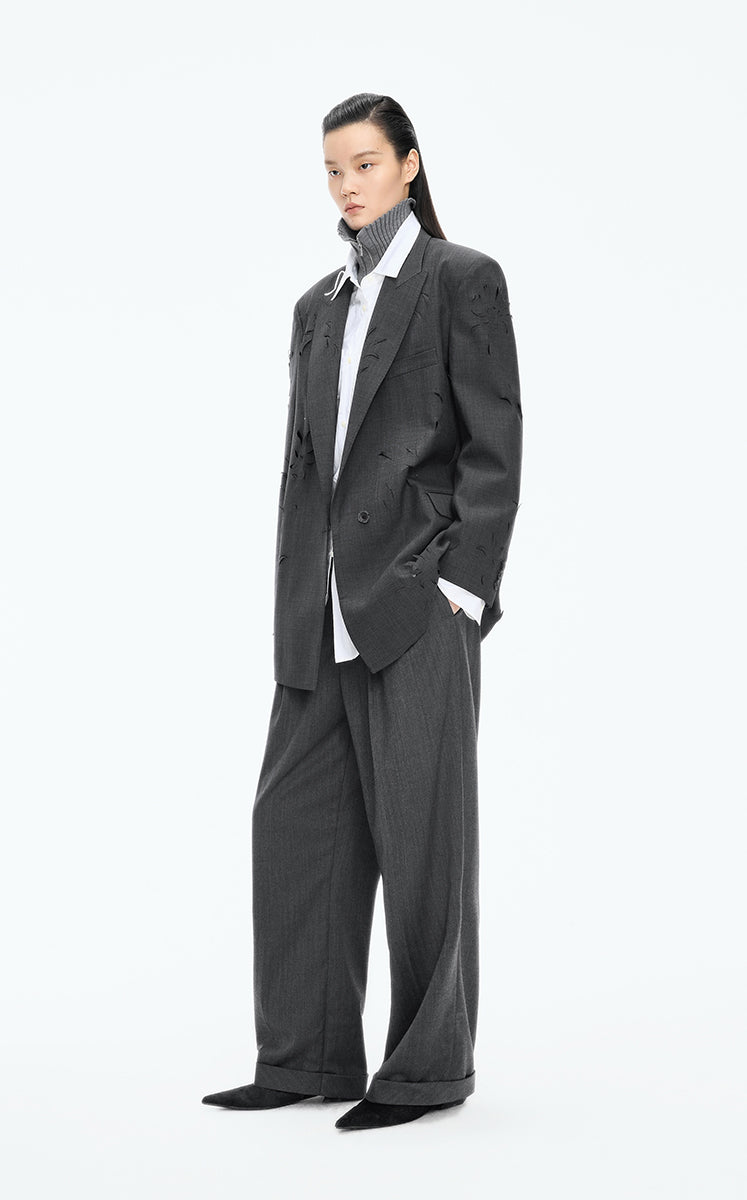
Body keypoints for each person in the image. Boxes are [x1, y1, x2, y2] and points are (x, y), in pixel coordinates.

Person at [202, 92, 523, 1132]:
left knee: (425, 841)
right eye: (333, 169)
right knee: (292, 824)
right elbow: (306, 470)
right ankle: (305, 1057)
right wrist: (293, 598)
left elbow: (493, 446)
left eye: (366, 163)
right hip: (319, 612)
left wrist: (461, 592)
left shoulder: (461, 279)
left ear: (409, 165)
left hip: (415, 604)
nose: (347, 184)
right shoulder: (317, 306)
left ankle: (425, 1070)